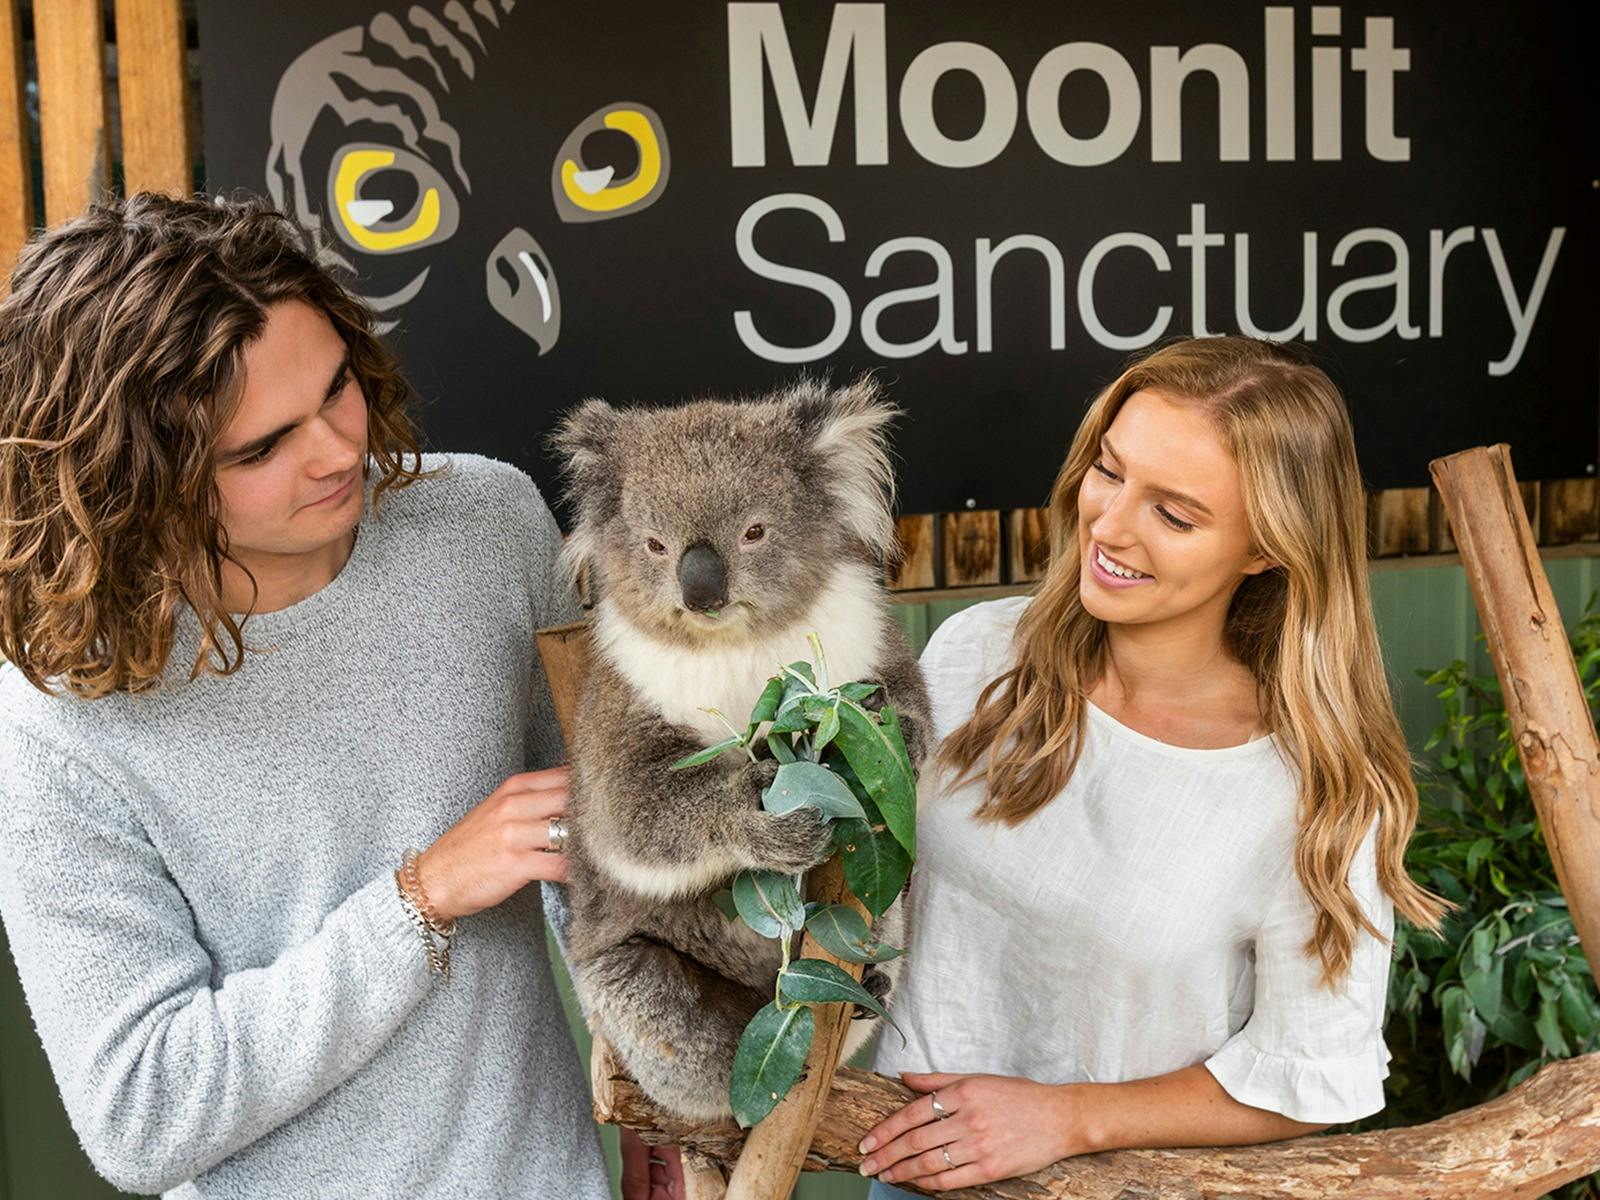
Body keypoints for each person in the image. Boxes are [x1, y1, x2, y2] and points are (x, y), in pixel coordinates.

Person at [0, 193, 610, 1198]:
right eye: (259, 448)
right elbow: (141, 1113)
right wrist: (421, 898)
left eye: (336, 389)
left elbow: (601, 865)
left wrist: (669, 1113)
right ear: (134, 479)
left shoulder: (486, 524)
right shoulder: (64, 710)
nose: (336, 452)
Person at [856, 336, 1451, 1194]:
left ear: (1265, 550)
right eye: (1109, 470)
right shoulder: (976, 654)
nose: (1110, 523)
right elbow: (860, 881)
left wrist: (1066, 1117)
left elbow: (1311, 1075)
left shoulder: (1309, 789)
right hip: (917, 1173)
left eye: (1174, 514)